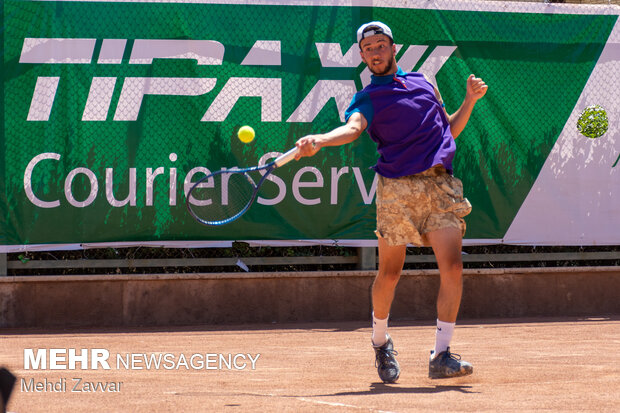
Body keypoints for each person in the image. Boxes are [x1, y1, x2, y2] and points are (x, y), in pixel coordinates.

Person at [294, 21, 488, 382]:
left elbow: (448, 130)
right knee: (390, 273)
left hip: (440, 185)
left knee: (454, 267)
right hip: (396, 189)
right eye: (368, 49)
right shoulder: (366, 98)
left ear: (392, 48)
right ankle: (380, 342)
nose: (375, 52)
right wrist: (319, 139)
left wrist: (470, 102)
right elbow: (352, 129)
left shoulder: (425, 82)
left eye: (381, 45)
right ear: (364, 57)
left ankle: (441, 355)